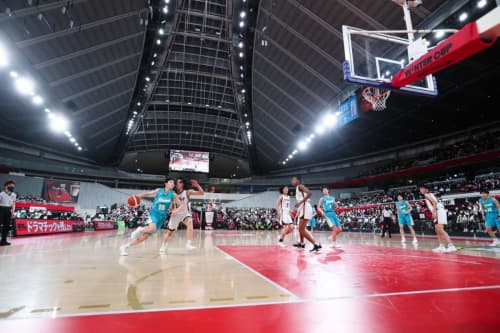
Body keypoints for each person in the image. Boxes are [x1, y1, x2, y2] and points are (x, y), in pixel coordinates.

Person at [120, 178, 181, 256]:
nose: (173, 184)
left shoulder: (173, 194)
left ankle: (125, 247)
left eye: (173, 183)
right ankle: (140, 229)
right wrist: (138, 196)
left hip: (162, 217)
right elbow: (148, 193)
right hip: (154, 213)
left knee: (145, 237)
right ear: (166, 183)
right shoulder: (159, 190)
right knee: (152, 228)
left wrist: (176, 210)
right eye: (171, 182)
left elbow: (180, 205)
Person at [159, 178, 204, 254]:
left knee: (190, 221)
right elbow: (167, 204)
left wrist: (197, 185)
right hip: (175, 215)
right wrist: (170, 210)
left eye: (178, 182)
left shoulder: (187, 192)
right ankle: (163, 245)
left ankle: (188, 244)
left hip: (184, 214)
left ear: (182, 184)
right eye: (176, 183)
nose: (176, 184)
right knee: (169, 233)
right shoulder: (172, 193)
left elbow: (201, 193)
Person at [420, 185, 456, 253]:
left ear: (426, 190)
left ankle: (451, 246)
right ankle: (441, 246)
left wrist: (434, 212)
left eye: (422, 188)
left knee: (440, 229)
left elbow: (435, 202)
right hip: (438, 211)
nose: (421, 190)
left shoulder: (427, 194)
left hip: (438, 211)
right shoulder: (428, 195)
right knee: (437, 230)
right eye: (420, 189)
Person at [291, 176, 321, 252]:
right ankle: (302, 243)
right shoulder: (298, 188)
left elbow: (310, 193)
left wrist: (300, 203)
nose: (292, 181)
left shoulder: (300, 186)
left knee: (301, 229)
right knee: (300, 228)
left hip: (305, 208)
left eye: (293, 179)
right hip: (302, 209)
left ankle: (315, 244)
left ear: (297, 180)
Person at [0, 180, 16, 246]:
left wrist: (13, 212)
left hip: (8, 210)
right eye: (11, 186)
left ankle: (3, 241)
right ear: (7, 186)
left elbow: (13, 204)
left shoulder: (14, 195)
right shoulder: (1, 194)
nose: (12, 187)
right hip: (1, 209)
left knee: (6, 226)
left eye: (13, 186)